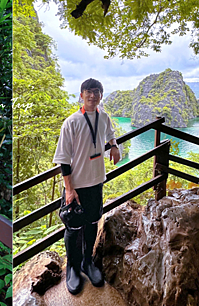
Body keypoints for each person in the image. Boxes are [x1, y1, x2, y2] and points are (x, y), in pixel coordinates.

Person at [52, 78, 120, 295]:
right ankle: (72, 267)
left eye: (97, 92)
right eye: (88, 92)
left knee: (92, 223)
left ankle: (87, 262)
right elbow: (63, 159)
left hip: (96, 181)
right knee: (73, 228)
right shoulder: (71, 122)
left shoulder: (104, 117)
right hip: (76, 185)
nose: (92, 96)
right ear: (81, 95)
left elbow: (109, 134)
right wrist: (69, 189)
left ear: (101, 95)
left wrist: (115, 146)